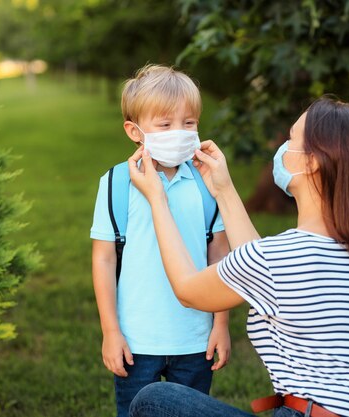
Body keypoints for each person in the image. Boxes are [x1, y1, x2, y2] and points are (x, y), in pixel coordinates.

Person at [127, 96, 349, 417]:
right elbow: (258, 266)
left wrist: (157, 199)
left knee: (154, 400)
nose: (283, 148)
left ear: (312, 161)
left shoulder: (279, 258)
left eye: (292, 139)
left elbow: (188, 289)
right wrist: (223, 189)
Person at [90, 64, 231, 417]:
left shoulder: (207, 183)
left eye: (190, 123)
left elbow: (221, 255)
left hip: (195, 339)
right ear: (134, 131)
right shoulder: (116, 184)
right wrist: (111, 331)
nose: (179, 133)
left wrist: (221, 324)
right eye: (165, 125)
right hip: (136, 341)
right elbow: (104, 259)